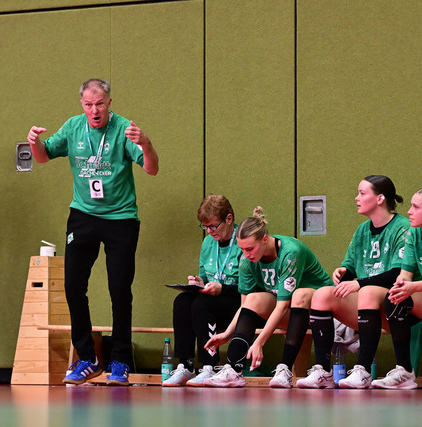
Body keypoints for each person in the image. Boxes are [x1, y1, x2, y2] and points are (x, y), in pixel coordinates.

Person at [26, 78, 158, 386]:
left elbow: (151, 168)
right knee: (73, 285)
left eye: (99, 104)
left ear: (109, 103)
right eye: (88, 105)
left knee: (119, 289)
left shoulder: (124, 128)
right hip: (83, 215)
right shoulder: (73, 127)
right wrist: (34, 142)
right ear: (82, 105)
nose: (94, 110)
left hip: (120, 218)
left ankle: (120, 360)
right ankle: (87, 358)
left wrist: (147, 143)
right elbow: (43, 156)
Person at [297, 175, 410, 389]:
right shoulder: (362, 231)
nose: (356, 198)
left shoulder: (402, 227)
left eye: (362, 193)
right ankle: (323, 371)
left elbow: (398, 273)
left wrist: (359, 283)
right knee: (322, 295)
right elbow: (350, 267)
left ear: (380, 199)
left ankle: (363, 370)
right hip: (367, 308)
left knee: (367, 291)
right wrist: (343, 273)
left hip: (397, 306)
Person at [203, 207, 333, 388]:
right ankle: (233, 369)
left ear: (265, 239)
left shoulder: (290, 252)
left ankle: (284, 369)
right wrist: (227, 333)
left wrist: (259, 342)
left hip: (319, 309)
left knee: (299, 295)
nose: (246, 254)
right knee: (253, 299)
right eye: (242, 249)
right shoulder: (246, 260)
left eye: (250, 248)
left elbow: (282, 306)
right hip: (291, 311)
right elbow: (244, 306)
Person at [162, 195, 242, 386]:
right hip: (212, 300)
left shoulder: (243, 239)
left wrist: (223, 289)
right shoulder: (208, 242)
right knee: (182, 301)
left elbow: (253, 287)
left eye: (213, 226)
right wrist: (198, 282)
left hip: (239, 302)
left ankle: (210, 365)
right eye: (205, 227)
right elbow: (205, 277)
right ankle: (186, 365)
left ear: (229, 219)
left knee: (202, 303)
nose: (209, 231)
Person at [372, 189, 422, 389]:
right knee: (395, 298)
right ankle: (405, 371)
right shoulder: (415, 233)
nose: (409, 211)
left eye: (416, 207)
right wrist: (400, 285)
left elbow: (413, 283)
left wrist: (414, 286)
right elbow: (406, 273)